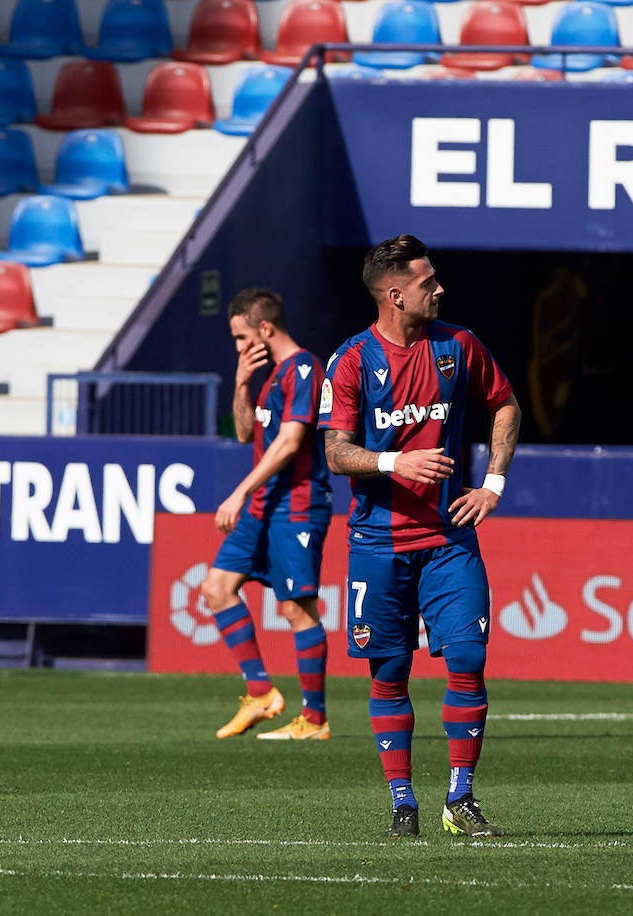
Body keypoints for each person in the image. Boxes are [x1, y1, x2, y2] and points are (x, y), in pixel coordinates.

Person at [318, 234, 521, 839]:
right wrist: (393, 464)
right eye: (429, 281)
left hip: (449, 539)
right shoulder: (351, 360)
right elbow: (335, 452)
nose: (441, 289)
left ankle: (460, 798)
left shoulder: (458, 347)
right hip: (378, 543)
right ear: (395, 293)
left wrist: (493, 485)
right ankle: (402, 801)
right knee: (388, 672)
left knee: (468, 659)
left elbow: (505, 405)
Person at [203, 289, 333, 741]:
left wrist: (237, 493)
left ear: (264, 329)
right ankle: (260, 693)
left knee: (296, 609)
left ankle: (314, 720)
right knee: (217, 589)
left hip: (296, 503)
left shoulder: (304, 369)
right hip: (264, 505)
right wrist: (240, 383)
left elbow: (292, 441)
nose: (238, 346)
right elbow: (244, 433)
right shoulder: (270, 376)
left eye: (241, 337)